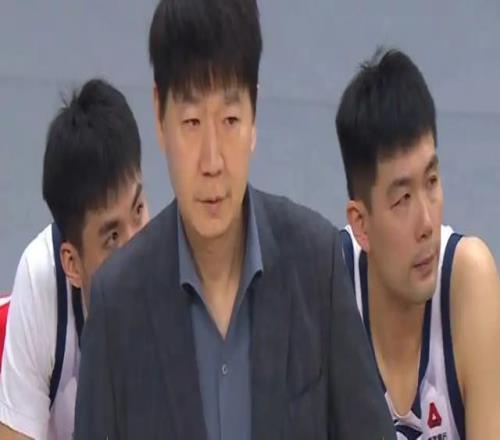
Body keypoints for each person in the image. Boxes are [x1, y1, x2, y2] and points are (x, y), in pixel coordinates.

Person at [73, 1, 395, 439]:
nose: (212, 161)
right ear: (159, 116)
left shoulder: (317, 266)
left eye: (229, 119)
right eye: (191, 121)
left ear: (254, 115)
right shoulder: (116, 304)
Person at [336, 48, 500, 439]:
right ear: (361, 224)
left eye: (431, 182)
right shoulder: (330, 290)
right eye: (402, 199)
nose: (427, 223)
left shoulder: (469, 281)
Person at [0, 79, 149, 440]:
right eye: (112, 237)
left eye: (139, 210)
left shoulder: (181, 280)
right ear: (72, 264)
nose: (137, 251)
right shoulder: (41, 281)